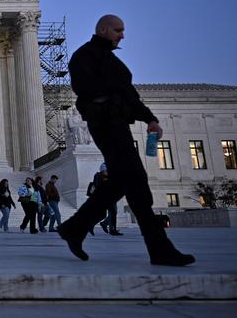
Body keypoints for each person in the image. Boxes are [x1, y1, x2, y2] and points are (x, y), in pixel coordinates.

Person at [57, 15, 194, 266]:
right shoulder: (85, 55)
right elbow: (87, 89)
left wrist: (149, 119)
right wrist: (112, 95)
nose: (122, 35)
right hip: (105, 123)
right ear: (103, 29)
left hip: (118, 123)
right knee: (137, 184)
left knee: (120, 183)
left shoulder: (110, 60)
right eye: (118, 30)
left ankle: (75, 227)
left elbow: (129, 95)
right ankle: (160, 249)